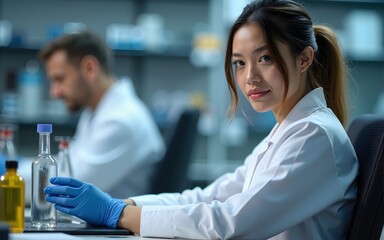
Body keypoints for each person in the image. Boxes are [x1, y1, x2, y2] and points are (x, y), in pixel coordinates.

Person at [44, 0, 358, 239]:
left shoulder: (313, 136)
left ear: (304, 59)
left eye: (265, 58)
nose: (250, 77)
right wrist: (126, 204)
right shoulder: (288, 131)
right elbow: (209, 197)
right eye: (239, 63)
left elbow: (229, 222)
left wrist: (119, 214)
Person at [20, 31, 165, 203]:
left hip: (110, 226)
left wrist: (10, 177)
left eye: (60, 79)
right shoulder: (96, 111)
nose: (54, 92)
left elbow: (70, 186)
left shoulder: (121, 120)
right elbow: (69, 163)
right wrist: (15, 166)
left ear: (89, 68)